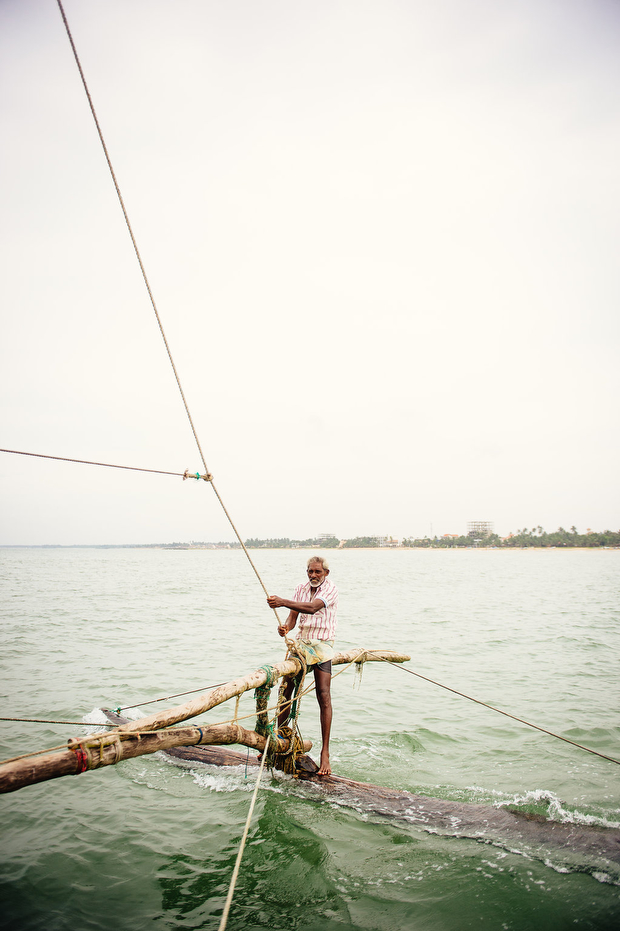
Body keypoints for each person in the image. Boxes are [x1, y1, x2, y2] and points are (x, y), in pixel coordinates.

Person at [266, 555, 338, 776]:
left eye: (317, 572)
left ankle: (325, 753)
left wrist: (282, 601)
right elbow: (293, 618)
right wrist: (285, 628)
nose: (313, 575)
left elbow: (313, 608)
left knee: (323, 695)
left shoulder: (331, 589)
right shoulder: (300, 588)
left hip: (322, 645)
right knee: (286, 691)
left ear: (326, 573)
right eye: (310, 571)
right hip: (301, 644)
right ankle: (280, 740)